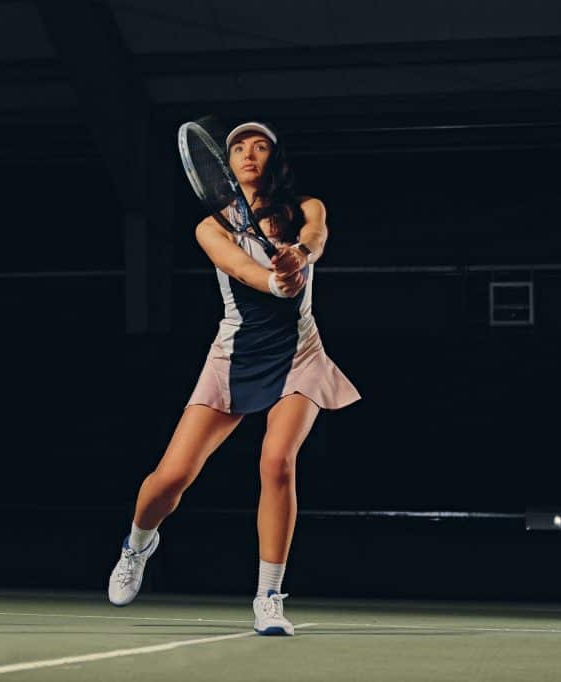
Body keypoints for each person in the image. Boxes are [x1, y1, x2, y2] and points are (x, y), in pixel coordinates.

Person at [108, 121, 360, 636]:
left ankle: (269, 595)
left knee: (277, 461)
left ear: (274, 157)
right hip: (233, 354)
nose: (249, 154)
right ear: (224, 166)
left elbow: (316, 235)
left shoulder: (307, 207)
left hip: (299, 354)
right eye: (239, 148)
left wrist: (300, 255)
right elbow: (241, 271)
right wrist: (273, 278)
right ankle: (137, 544)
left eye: (260, 146)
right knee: (171, 477)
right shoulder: (211, 226)